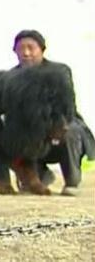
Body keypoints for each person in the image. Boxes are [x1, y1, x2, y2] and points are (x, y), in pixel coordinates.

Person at [11, 30, 95, 195]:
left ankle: (72, 182)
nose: (26, 53)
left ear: (41, 49)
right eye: (21, 49)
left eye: (31, 48)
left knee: (69, 130)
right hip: (31, 137)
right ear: (15, 51)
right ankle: (37, 176)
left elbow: (66, 107)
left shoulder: (60, 71)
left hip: (60, 127)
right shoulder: (10, 78)